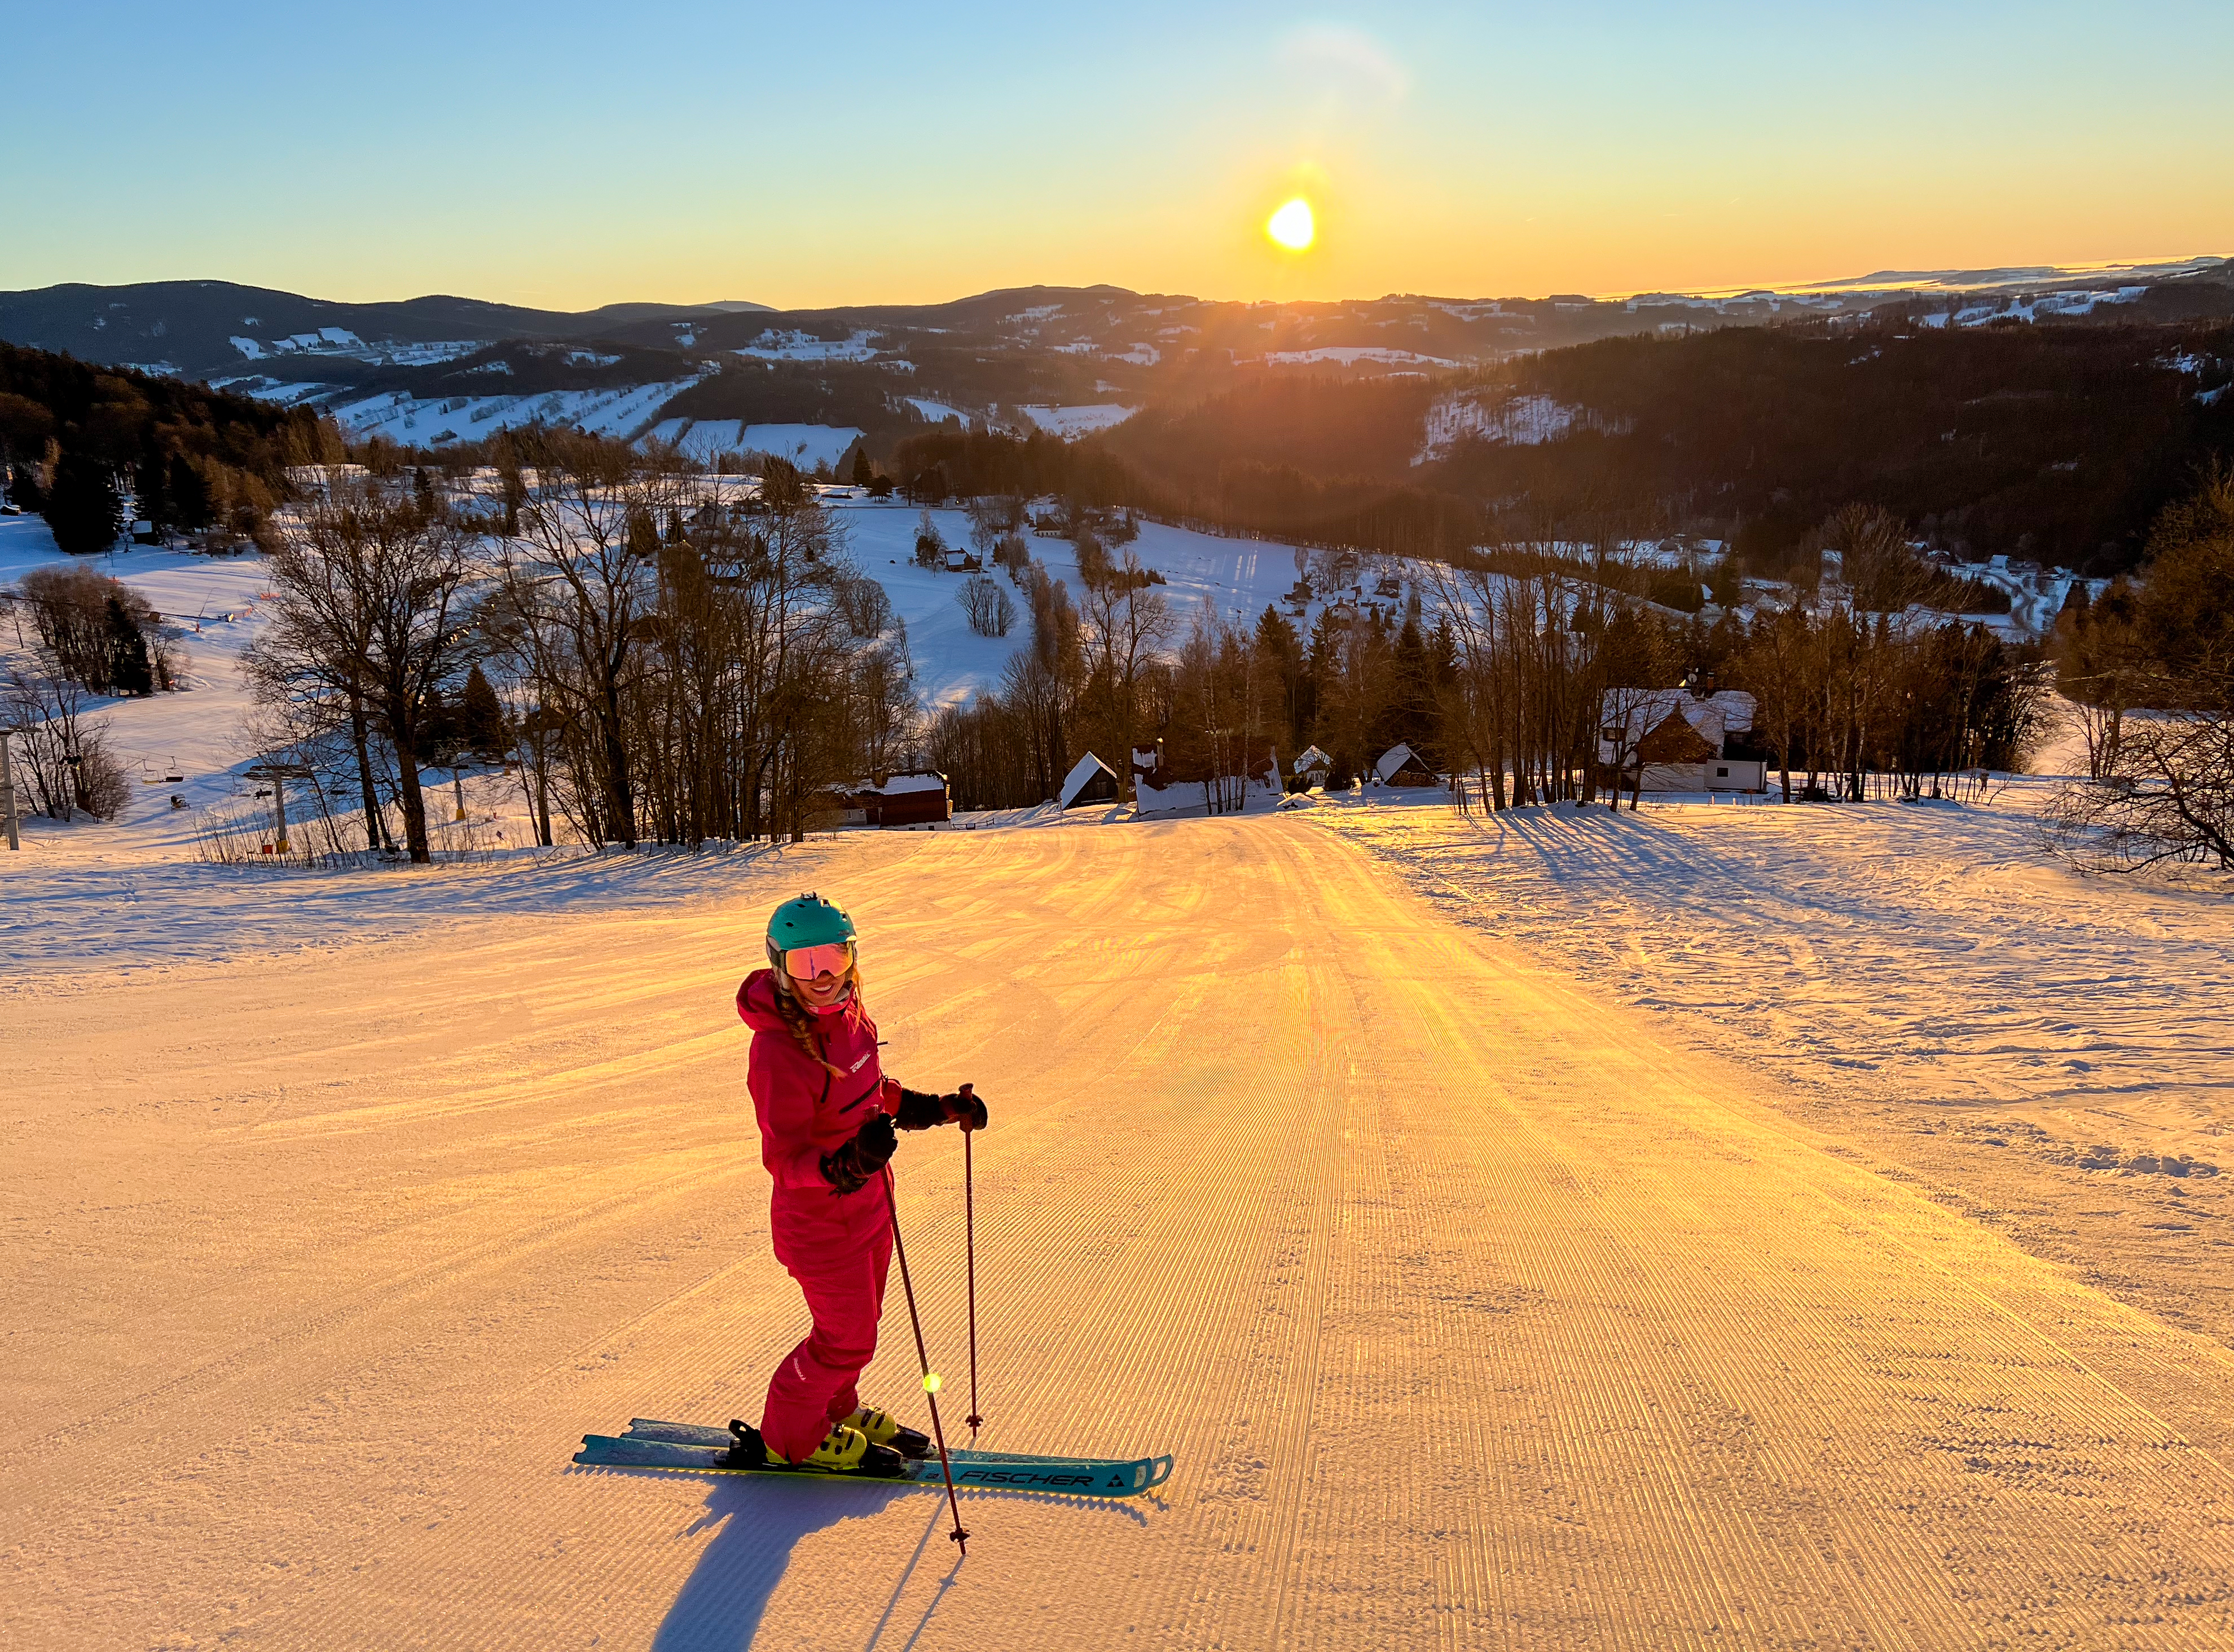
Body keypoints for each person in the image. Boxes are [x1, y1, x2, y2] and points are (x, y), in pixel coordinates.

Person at [734, 892, 990, 1475]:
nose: (822, 976)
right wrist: (844, 1165)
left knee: (859, 1328)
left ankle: (835, 1408)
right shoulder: (777, 1051)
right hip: (820, 1225)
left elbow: (871, 1091)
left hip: (872, 1208)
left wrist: (935, 1107)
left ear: (852, 957)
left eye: (834, 957)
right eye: (804, 964)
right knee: (845, 1340)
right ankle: (789, 1437)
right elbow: (785, 1158)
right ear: (780, 967)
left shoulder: (852, 1018)